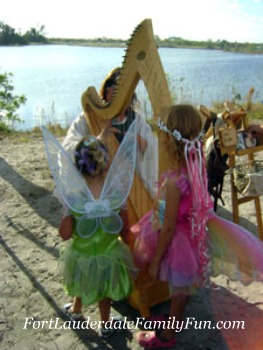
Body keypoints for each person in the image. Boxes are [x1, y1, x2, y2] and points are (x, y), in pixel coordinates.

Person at [132, 104, 263, 348]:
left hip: (177, 242)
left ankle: (169, 335)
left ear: (170, 141)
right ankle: (174, 320)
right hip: (192, 234)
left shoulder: (174, 181)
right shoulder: (195, 166)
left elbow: (169, 227)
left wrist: (157, 260)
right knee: (182, 288)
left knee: (178, 291)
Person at [57, 135, 136, 337]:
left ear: (78, 166)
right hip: (109, 253)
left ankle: (76, 311)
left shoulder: (73, 197)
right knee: (103, 290)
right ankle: (106, 323)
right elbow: (124, 229)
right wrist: (131, 249)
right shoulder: (116, 194)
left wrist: (68, 216)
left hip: (81, 254)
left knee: (83, 278)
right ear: (106, 163)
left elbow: (65, 235)